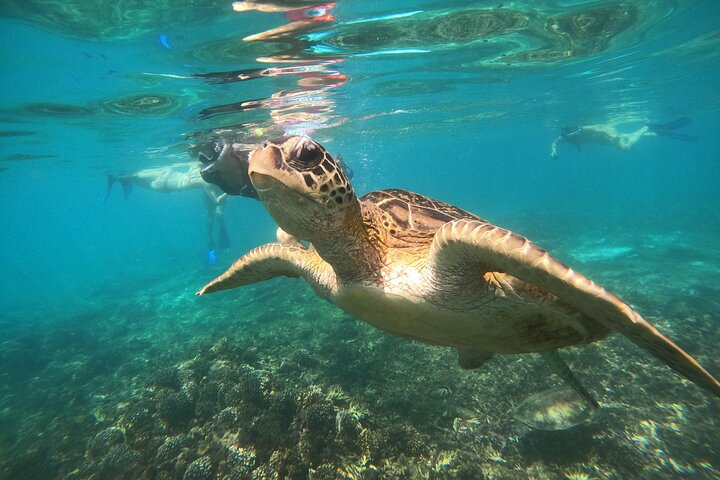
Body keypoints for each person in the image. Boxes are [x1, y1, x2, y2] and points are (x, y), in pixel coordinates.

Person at [550, 117, 697, 159]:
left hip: (609, 135)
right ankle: (657, 133)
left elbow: (603, 129)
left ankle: (646, 127)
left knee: (625, 148)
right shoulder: (565, 137)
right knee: (628, 136)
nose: (572, 136)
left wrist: (613, 138)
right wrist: (554, 152)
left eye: (573, 133)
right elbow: (555, 143)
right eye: (569, 135)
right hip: (606, 141)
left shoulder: (585, 129)